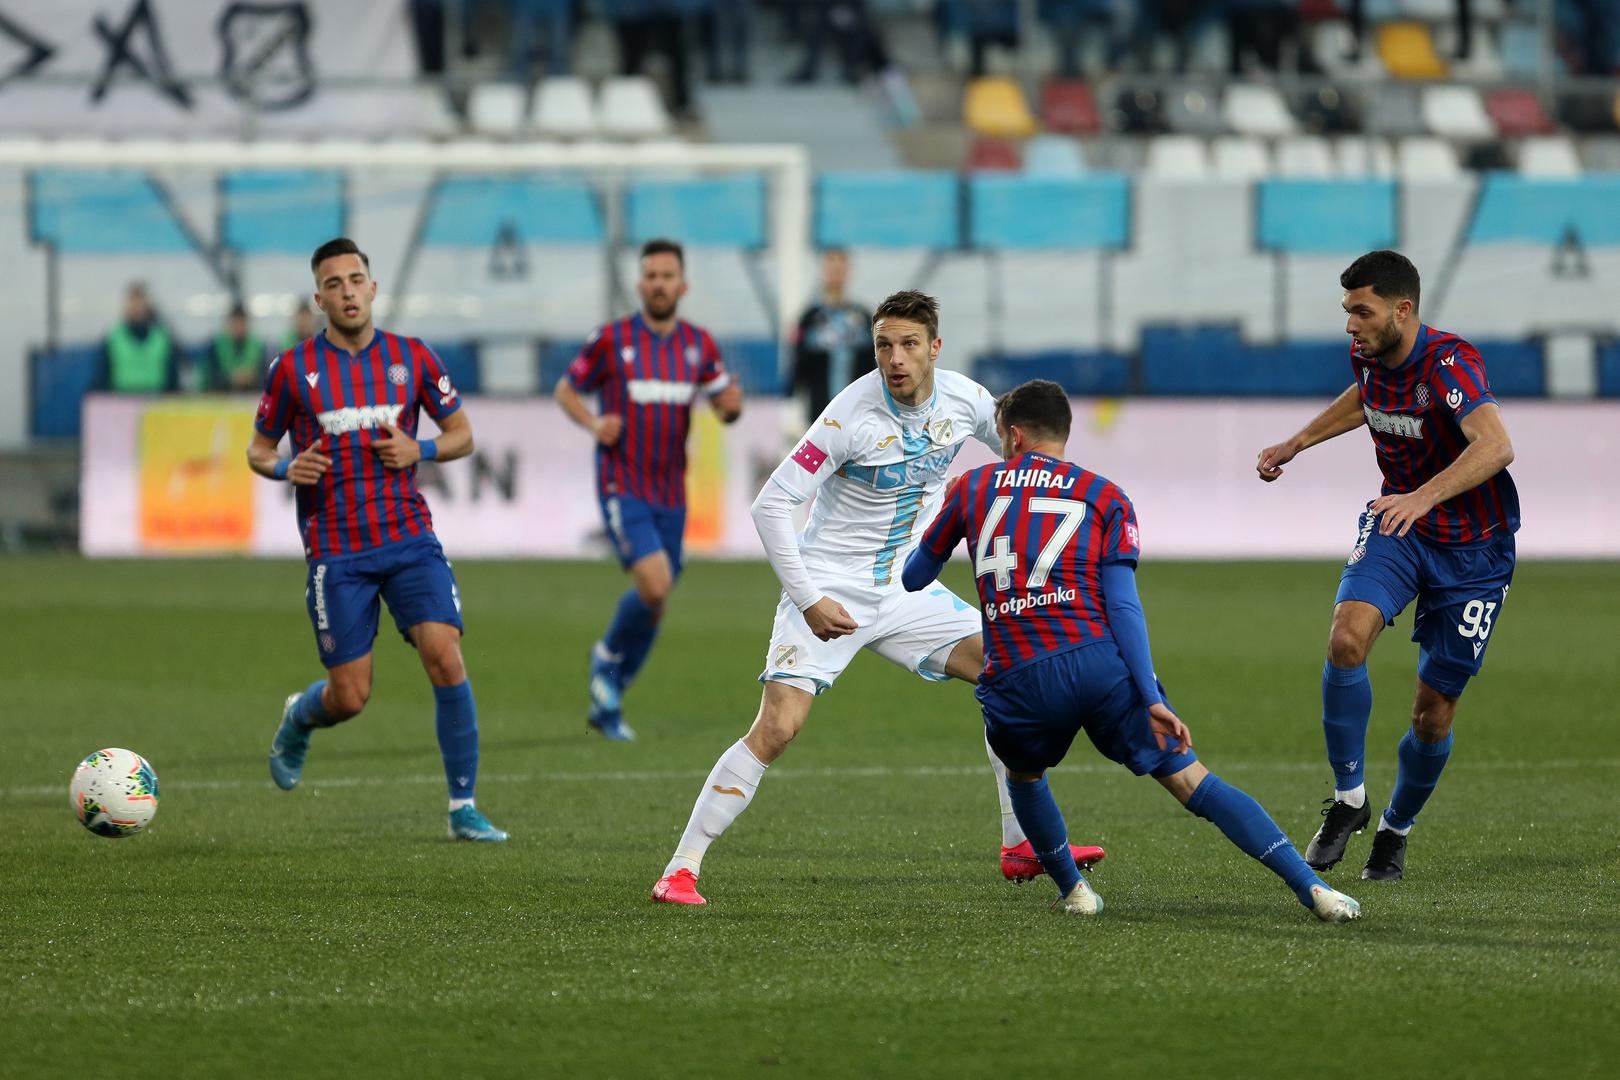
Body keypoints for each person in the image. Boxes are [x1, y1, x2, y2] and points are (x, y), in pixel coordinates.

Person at [649, 291, 1105, 906]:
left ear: (935, 348)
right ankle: (681, 870)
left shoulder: (968, 401)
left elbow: (1022, 456)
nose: (895, 359)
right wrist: (807, 599)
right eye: (884, 345)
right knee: (778, 727)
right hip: (829, 587)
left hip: (906, 589)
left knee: (1009, 675)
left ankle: (1020, 842)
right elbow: (770, 505)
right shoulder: (848, 417)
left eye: (909, 344)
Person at [903, 379, 1362, 922]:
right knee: (1193, 781)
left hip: (1019, 676)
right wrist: (1151, 696)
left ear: (1014, 434)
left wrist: (948, 510)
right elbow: (1123, 606)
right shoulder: (1106, 495)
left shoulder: (974, 487)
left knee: (1023, 777)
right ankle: (1314, 889)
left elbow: (913, 577)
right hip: (1099, 666)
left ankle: (1075, 892)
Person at [1257, 250, 1518, 882]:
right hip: (1398, 527)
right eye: (1348, 311)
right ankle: (1349, 799)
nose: (1351, 325)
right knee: (1345, 639)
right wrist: (1297, 442)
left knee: (1433, 712)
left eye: (1362, 311)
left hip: (1475, 552)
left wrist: (1423, 495)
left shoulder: (1450, 362)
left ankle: (1395, 830)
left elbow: (1497, 445)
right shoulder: (1369, 355)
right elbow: (1366, 400)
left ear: (1402, 310)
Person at [248, 237, 507, 843]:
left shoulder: (412, 358)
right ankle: (300, 717)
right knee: (350, 697)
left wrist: (420, 448)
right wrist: (286, 467)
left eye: (355, 280)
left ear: (373, 287)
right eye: (333, 284)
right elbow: (258, 450)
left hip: (409, 538)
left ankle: (463, 807)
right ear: (320, 299)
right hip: (337, 552)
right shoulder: (292, 370)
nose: (347, 292)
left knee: (445, 656)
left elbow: (463, 434)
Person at [555, 238, 744, 741]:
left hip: (671, 492)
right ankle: (606, 658)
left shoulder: (698, 345)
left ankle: (611, 693)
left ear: (683, 285)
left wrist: (732, 406)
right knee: (656, 585)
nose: (659, 284)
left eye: (667, 276)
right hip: (623, 483)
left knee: (657, 602)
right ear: (640, 284)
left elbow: (725, 404)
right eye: (651, 276)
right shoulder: (611, 339)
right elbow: (566, 389)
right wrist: (594, 424)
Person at [790, 249, 873, 422]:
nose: (836, 273)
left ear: (849, 271)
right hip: (819, 413)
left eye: (840, 267)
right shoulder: (810, 318)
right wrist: (790, 402)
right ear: (823, 271)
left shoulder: (863, 317)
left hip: (858, 413)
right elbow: (798, 363)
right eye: (831, 267)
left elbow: (874, 364)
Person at [100, 283, 180, 393]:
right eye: (133, 304)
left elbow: (173, 377)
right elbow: (102, 375)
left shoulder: (162, 338)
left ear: (147, 306)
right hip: (121, 398)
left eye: (140, 303)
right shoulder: (113, 338)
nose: (136, 308)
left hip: (156, 397)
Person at [205, 304, 267, 392]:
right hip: (224, 395)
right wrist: (231, 379)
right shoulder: (216, 346)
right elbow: (211, 378)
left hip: (251, 394)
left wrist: (250, 378)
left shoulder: (258, 346)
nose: (239, 327)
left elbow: (264, 377)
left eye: (242, 322)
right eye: (235, 323)